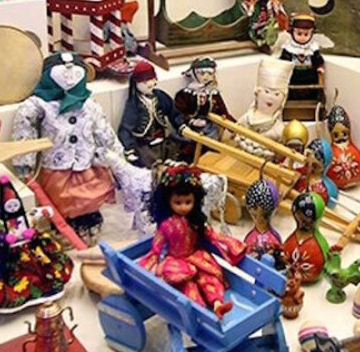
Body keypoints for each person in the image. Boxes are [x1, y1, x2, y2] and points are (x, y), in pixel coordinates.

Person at [13, 52, 151, 243]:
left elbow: (103, 130)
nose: (70, 77)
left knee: (91, 197)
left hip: (89, 163)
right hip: (58, 165)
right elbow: (24, 127)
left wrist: (117, 156)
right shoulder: (40, 104)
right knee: (61, 199)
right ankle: (63, 230)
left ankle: (89, 224)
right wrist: (24, 161)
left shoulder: (89, 104)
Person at [137, 164, 247, 318]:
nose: (183, 207)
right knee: (187, 285)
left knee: (209, 278)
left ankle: (217, 303)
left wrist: (230, 245)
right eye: (178, 202)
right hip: (176, 261)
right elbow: (156, 248)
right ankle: (200, 310)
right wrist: (146, 266)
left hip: (195, 256)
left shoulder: (196, 221)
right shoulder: (166, 226)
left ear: (195, 200)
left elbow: (212, 235)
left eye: (188, 202)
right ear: (168, 201)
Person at [0, 177, 72, 311]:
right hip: (10, 252)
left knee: (43, 269)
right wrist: (0, 237)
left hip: (31, 248)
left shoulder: (27, 217)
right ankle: (17, 298)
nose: (13, 208)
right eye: (9, 206)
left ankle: (45, 290)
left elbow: (38, 212)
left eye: (15, 205)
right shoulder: (0, 223)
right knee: (13, 276)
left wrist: (45, 213)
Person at [118, 61, 183, 167]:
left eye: (151, 80)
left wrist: (181, 125)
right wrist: (129, 148)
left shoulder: (160, 96)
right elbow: (126, 127)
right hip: (145, 145)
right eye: (144, 82)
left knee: (176, 152)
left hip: (163, 140)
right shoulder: (134, 103)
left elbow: (173, 112)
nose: (149, 84)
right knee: (150, 165)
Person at [282, 191, 331, 284]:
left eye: (306, 219)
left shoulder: (318, 245)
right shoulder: (292, 240)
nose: (302, 222)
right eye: (298, 216)